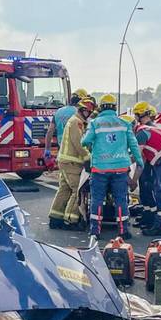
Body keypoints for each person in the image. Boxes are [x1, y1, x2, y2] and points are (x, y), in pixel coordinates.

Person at [82, 94, 143, 243]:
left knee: (97, 199)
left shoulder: (95, 123)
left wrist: (92, 146)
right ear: (115, 107)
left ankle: (95, 231)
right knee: (121, 199)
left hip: (100, 169)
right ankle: (123, 230)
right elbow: (134, 145)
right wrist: (139, 161)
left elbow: (85, 141)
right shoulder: (124, 123)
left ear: (101, 107)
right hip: (120, 169)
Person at [48, 96, 97, 229]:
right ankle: (70, 220)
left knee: (64, 189)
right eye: (87, 111)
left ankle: (55, 217)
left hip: (65, 161)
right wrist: (88, 157)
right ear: (82, 110)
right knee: (78, 190)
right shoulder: (77, 122)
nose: (89, 114)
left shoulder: (75, 121)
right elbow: (78, 143)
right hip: (72, 162)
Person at [44, 88, 87, 164]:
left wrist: (47, 149)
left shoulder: (59, 111)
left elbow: (50, 131)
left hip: (61, 149)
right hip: (75, 150)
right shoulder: (79, 113)